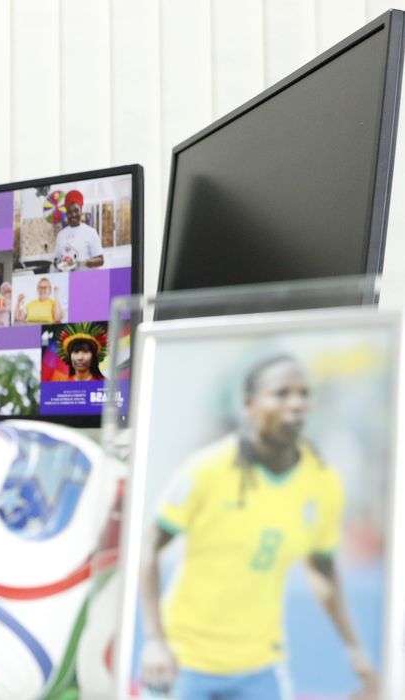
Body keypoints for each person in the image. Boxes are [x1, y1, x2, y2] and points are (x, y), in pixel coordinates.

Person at [138, 355, 376, 700]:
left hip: (260, 666)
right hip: (183, 661)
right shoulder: (208, 469)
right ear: (250, 404)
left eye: (303, 394)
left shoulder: (324, 483)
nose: (296, 403)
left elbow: (323, 571)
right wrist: (155, 643)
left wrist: (356, 652)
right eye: (281, 393)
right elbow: (148, 548)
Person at [53, 190, 103, 270]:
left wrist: (81, 263)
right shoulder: (61, 234)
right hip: (68, 279)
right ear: (66, 213)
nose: (73, 215)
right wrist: (59, 264)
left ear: (81, 210)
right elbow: (56, 260)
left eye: (76, 210)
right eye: (70, 212)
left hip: (87, 279)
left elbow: (101, 260)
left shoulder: (91, 232)